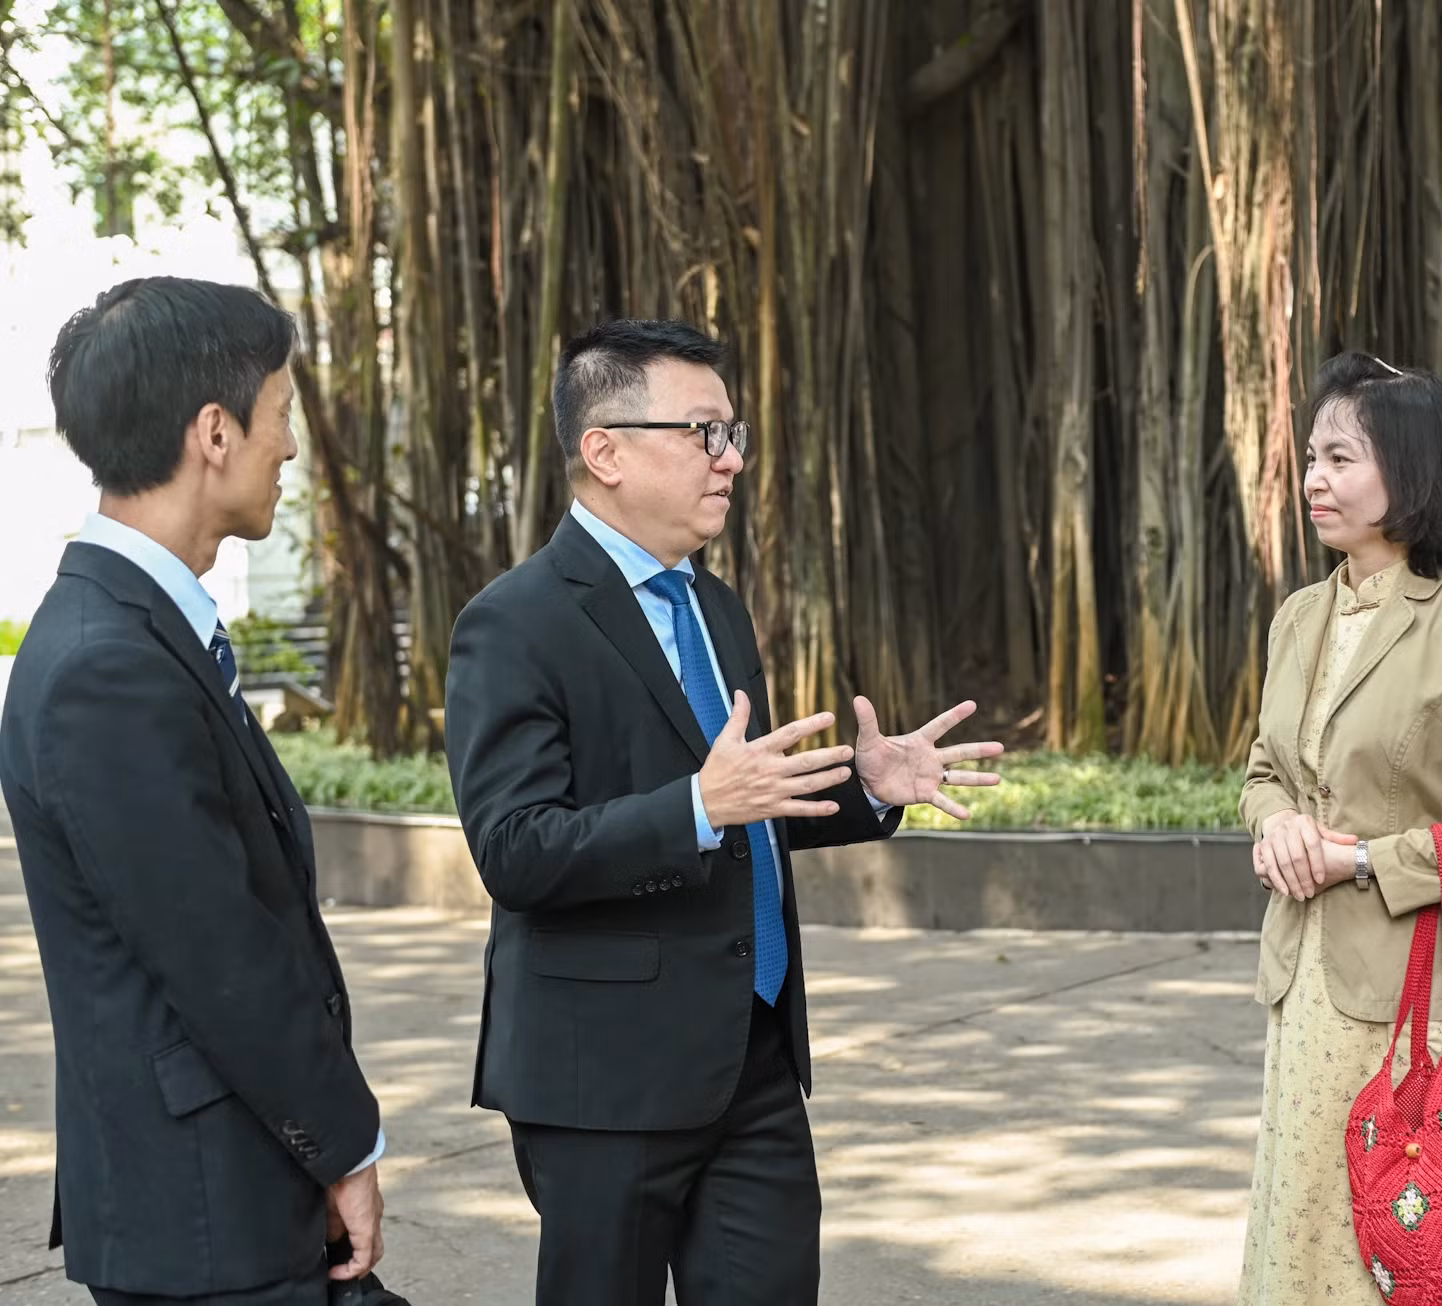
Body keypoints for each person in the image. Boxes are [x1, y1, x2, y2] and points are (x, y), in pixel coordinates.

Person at [443, 318, 1004, 1306]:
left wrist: (866, 785)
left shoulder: (716, 605)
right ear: (604, 451)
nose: (732, 458)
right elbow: (516, 850)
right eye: (704, 433)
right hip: (604, 1079)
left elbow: (749, 801)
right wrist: (697, 805)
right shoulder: (514, 621)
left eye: (733, 431)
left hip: (751, 1058)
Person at [0, 278, 388, 1304]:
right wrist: (347, 1146)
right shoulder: (106, 666)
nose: (291, 450)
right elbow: (221, 957)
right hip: (205, 1218)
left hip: (223, 1201)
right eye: (281, 417)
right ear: (214, 430)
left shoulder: (136, 632)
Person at [1237, 352, 1442, 1304]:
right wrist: (1275, 821)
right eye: (1313, 458)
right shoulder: (1297, 617)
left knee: (1418, 1247)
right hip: (1305, 987)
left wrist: (1360, 859)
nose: (1315, 480)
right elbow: (1260, 768)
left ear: (1410, 471)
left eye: (1341, 458)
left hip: (1424, 995)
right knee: (1306, 1242)